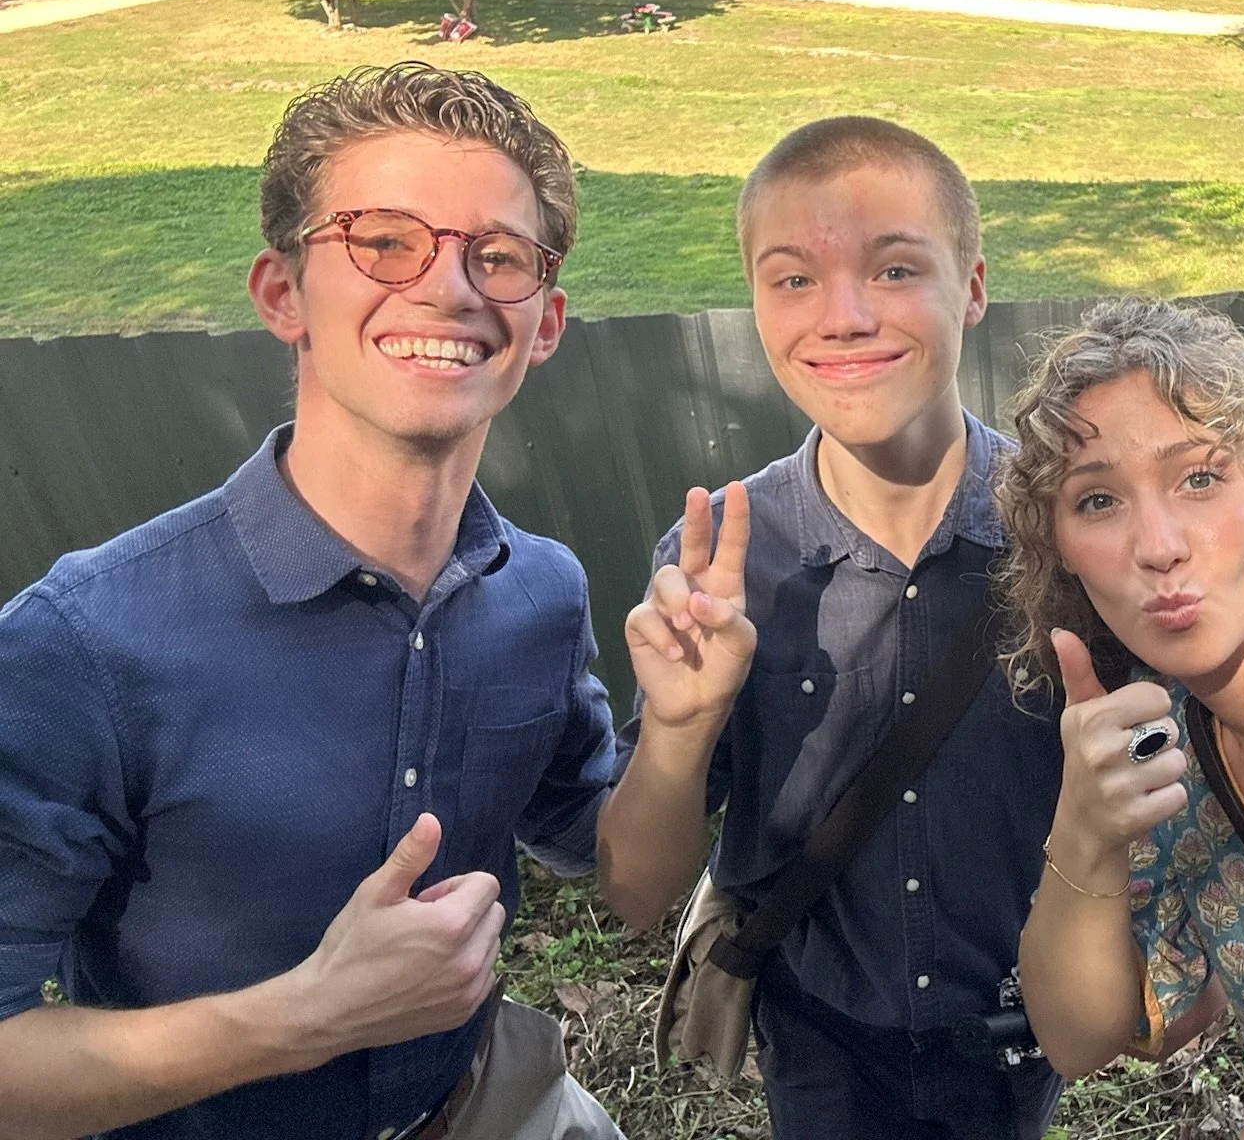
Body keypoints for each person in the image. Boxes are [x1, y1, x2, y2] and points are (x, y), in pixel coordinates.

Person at [0, 64, 623, 1140]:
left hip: (485, 1106)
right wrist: (309, 1017)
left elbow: (585, 837)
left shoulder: (542, 593)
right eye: (383, 240)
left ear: (547, 318)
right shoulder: (85, 644)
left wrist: (702, 711)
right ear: (282, 293)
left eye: (498, 256)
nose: (447, 287)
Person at [597, 117, 1067, 1140]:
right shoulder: (718, 560)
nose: (844, 317)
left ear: (972, 287)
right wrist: (679, 732)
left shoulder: (1067, 532)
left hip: (1012, 1032)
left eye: (895, 269)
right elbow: (636, 889)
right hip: (818, 1039)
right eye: (792, 279)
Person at [997, 299, 1244, 1079]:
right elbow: (1090, 1041)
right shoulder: (1171, 736)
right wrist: (1087, 829)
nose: (1159, 546)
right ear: (1062, 550)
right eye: (1099, 500)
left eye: (1201, 478)